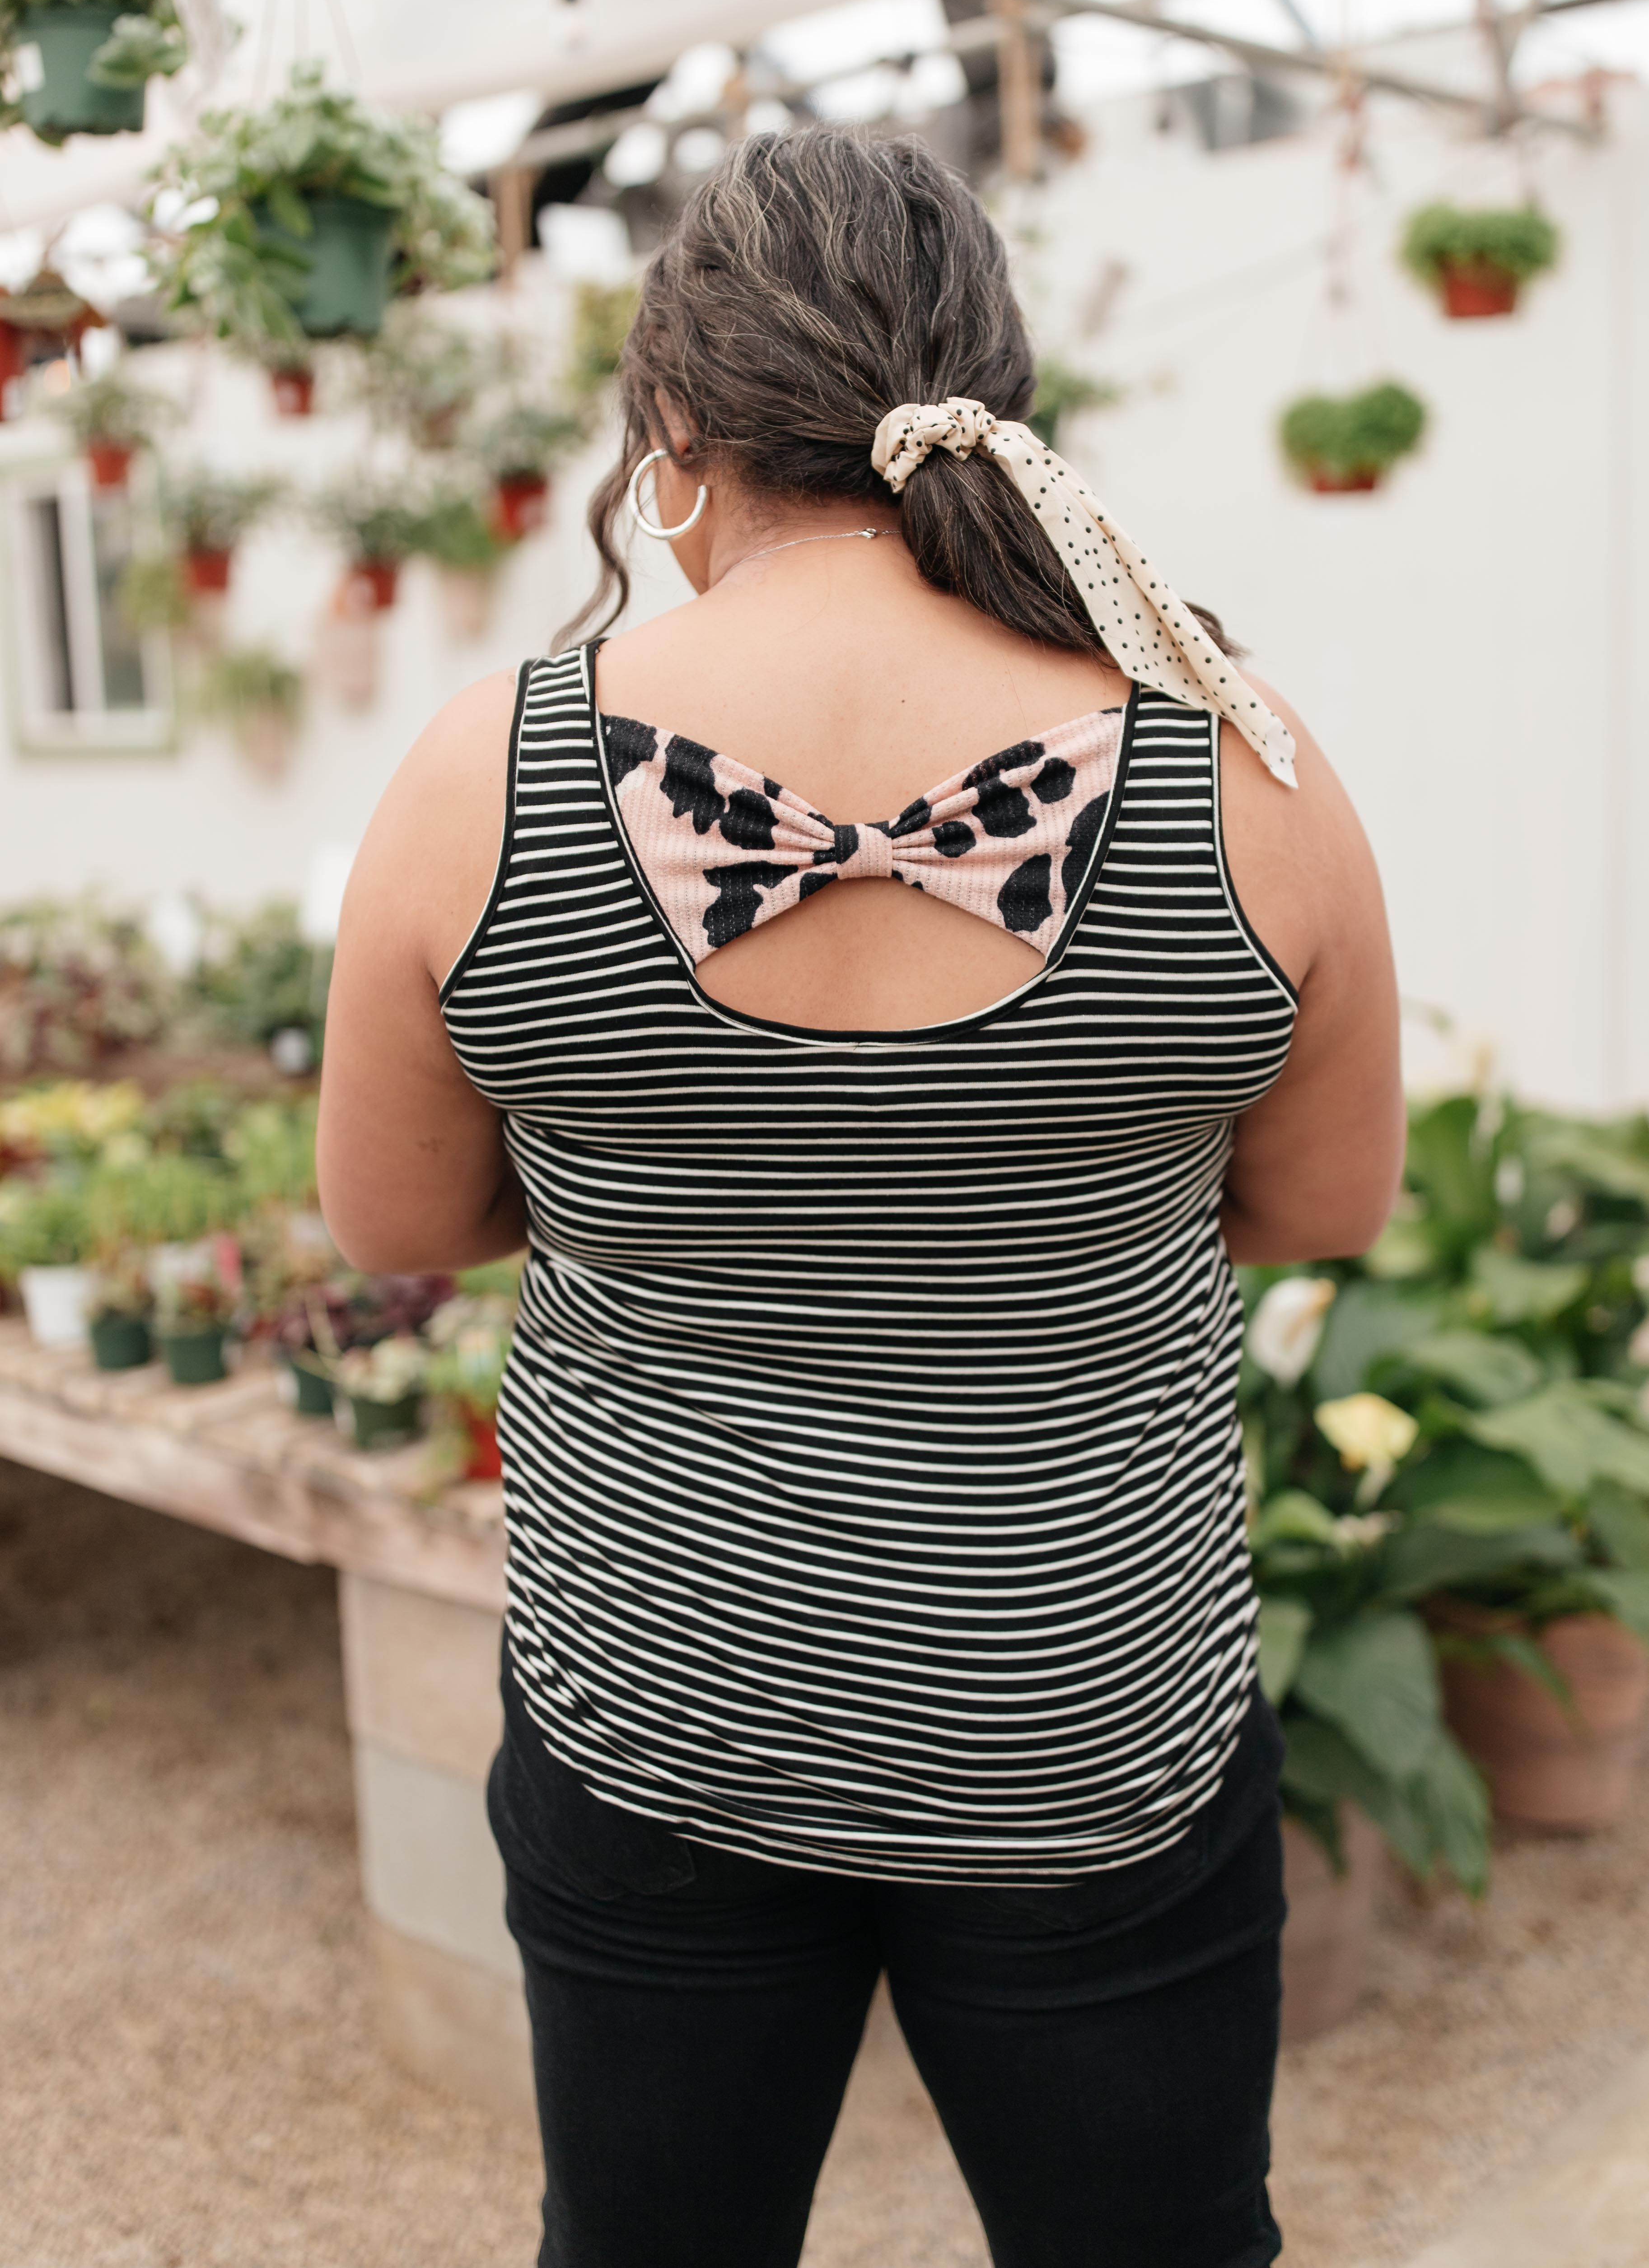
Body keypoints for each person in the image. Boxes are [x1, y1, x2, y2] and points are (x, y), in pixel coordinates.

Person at [318, 128, 1403, 2268]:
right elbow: (1319, 1198)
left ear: (673, 427)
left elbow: (396, 1220)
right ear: (991, 403)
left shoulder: (480, 781)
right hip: (1090, 1711)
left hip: (660, 1700)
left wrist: (680, 1170)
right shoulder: (1242, 766)